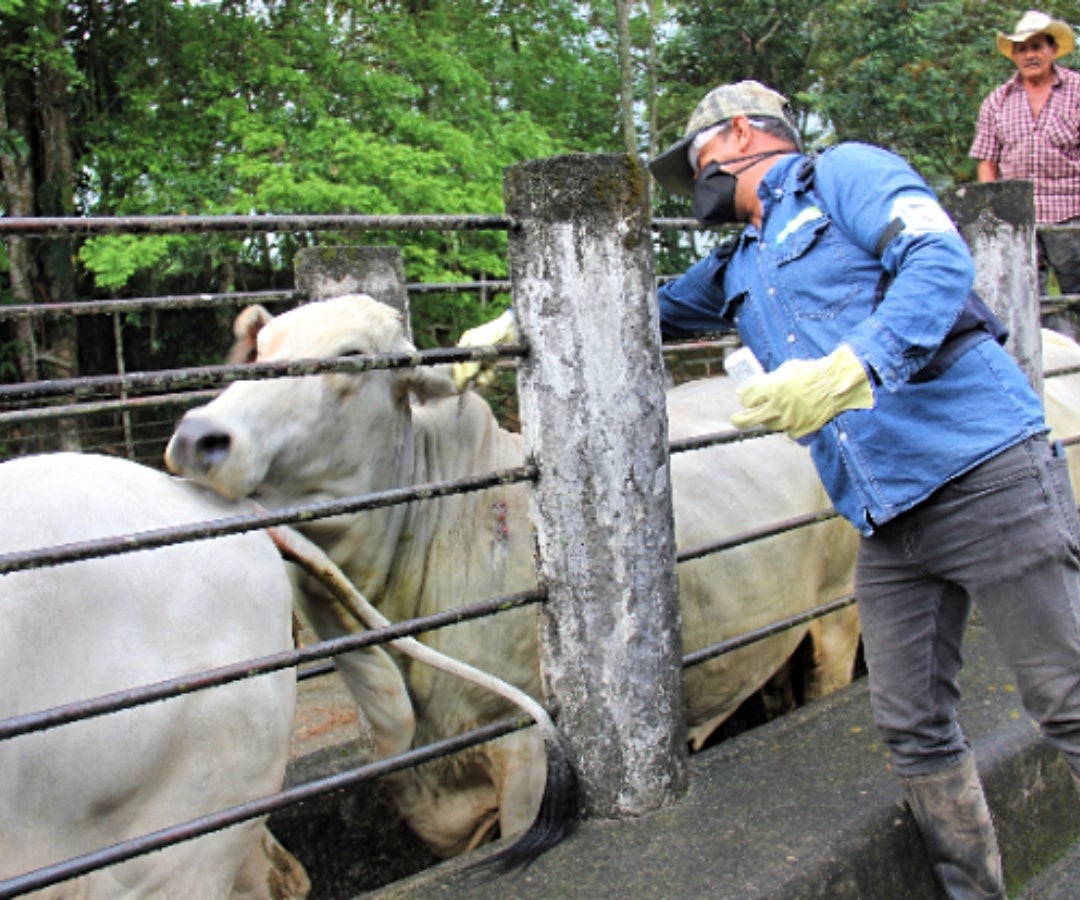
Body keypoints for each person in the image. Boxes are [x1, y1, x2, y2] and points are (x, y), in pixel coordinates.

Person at [649, 79, 1080, 899]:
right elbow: (647, 311)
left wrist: (858, 363)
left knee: (1065, 698)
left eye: (697, 159)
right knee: (912, 725)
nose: (693, 180)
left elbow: (937, 257)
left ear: (740, 133)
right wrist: (517, 323)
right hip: (888, 521)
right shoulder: (738, 263)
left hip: (984, 472)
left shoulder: (844, 174)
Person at [970, 10, 1080, 336]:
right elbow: (987, 160)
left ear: (1052, 50)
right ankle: (1051, 370)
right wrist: (992, 213)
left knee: (1077, 295)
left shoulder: (1077, 91)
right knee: (1028, 301)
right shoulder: (997, 101)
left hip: (1070, 214)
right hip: (1018, 218)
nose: (1029, 55)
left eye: (1036, 46)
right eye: (1022, 48)